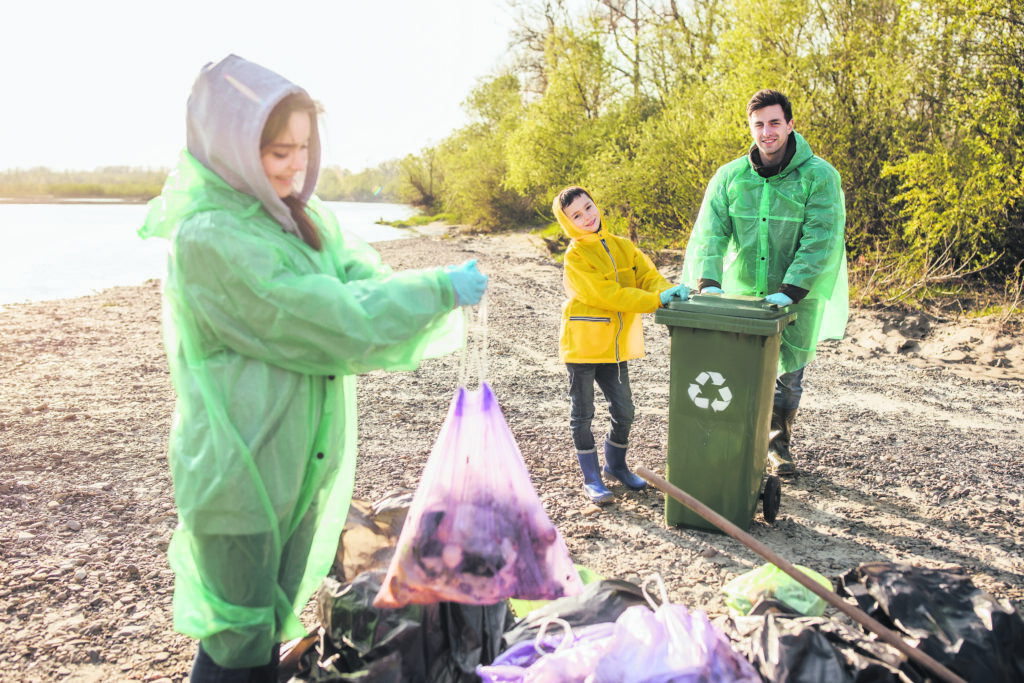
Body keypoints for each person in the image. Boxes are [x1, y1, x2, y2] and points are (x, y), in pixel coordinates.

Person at [138, 55, 488, 682]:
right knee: (233, 644)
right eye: (278, 151)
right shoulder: (210, 238)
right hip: (238, 472)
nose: (296, 164)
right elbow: (327, 317)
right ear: (233, 147)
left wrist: (419, 288)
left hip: (296, 464)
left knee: (264, 632)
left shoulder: (300, 217)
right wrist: (435, 289)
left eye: (303, 147)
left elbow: (360, 279)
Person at [681, 88, 848, 476]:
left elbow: (821, 238)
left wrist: (789, 292)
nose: (767, 131)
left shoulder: (819, 177)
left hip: (794, 297)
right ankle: (736, 442)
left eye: (775, 122)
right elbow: (711, 233)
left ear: (790, 124)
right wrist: (709, 283)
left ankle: (777, 446)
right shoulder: (730, 177)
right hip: (740, 294)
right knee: (736, 372)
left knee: (786, 376)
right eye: (759, 124)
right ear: (750, 127)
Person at [554, 186, 687, 504]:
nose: (587, 216)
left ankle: (615, 465)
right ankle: (592, 479)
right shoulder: (575, 257)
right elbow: (608, 294)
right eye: (577, 214)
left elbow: (648, 277)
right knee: (583, 413)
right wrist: (655, 301)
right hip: (583, 346)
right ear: (568, 222)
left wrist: (667, 290)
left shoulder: (623, 246)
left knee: (624, 410)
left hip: (614, 348)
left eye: (589, 207)